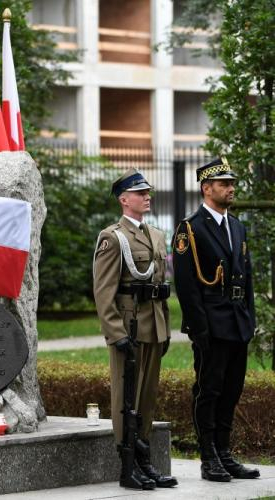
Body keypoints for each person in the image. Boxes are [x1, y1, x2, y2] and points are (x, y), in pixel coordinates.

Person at [172, 158, 259, 482]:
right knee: (209, 390)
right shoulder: (191, 228)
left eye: (232, 182)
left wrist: (249, 318)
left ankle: (225, 453)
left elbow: (246, 278)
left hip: (237, 323)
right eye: (224, 184)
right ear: (207, 189)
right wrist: (200, 329)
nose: (231, 188)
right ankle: (208, 458)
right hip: (212, 325)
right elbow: (186, 286)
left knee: (232, 390)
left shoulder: (237, 226)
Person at [93, 169, 177, 490]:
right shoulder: (112, 237)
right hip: (128, 326)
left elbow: (159, 286)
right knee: (125, 396)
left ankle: (143, 458)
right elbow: (104, 291)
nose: (147, 197)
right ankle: (127, 462)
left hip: (153, 325)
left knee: (146, 397)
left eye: (148, 192)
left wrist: (165, 327)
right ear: (124, 199)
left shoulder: (155, 235)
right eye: (140, 193)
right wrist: (115, 333)